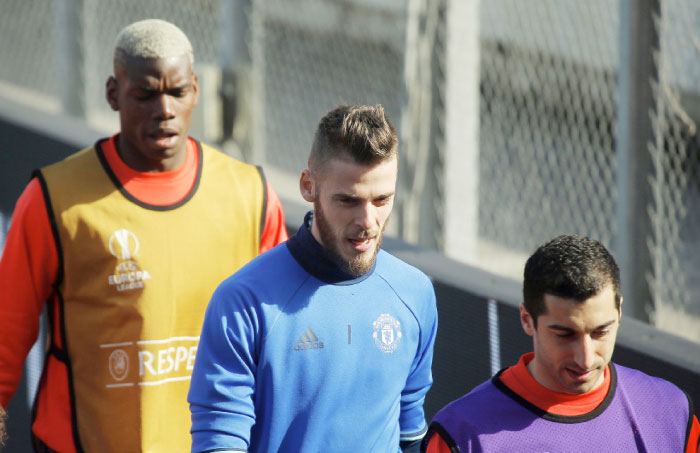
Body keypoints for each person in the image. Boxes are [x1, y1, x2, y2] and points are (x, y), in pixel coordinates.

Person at [0, 19, 287, 452]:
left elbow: (282, 342)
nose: (165, 109)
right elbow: (6, 333)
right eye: (146, 94)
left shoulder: (250, 195)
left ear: (195, 89)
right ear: (113, 93)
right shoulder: (54, 199)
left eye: (177, 92)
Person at [188, 104, 438, 452]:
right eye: (348, 200)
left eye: (382, 199)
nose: (368, 220)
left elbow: (409, 433)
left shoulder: (415, 293)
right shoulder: (242, 303)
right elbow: (220, 442)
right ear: (309, 187)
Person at [422, 235, 700, 453]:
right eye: (565, 335)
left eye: (601, 332)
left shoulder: (670, 411)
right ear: (527, 320)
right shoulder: (462, 434)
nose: (585, 358)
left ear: (620, 313)